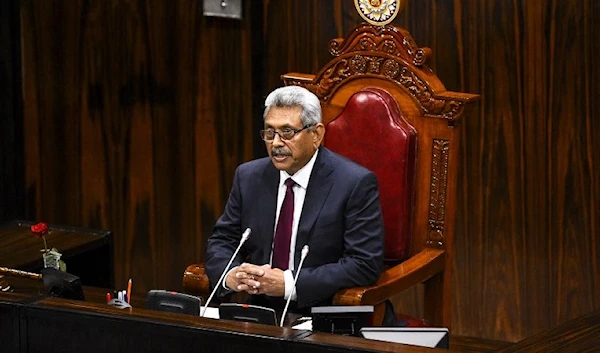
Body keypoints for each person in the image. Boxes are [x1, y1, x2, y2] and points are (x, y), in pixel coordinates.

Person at [205, 85, 384, 315]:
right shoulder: (248, 176)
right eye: (270, 133)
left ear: (316, 134)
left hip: (324, 313)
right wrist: (230, 274)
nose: (276, 143)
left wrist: (289, 285)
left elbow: (364, 263)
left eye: (287, 132)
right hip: (257, 310)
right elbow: (223, 239)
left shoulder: (354, 183)